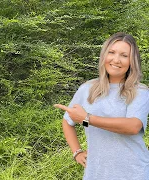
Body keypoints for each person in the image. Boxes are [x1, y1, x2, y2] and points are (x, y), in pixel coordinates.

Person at [54, 32, 149, 180]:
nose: (116, 59)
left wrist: (87, 118)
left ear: (132, 61)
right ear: (104, 55)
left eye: (124, 55)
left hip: (134, 172)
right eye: (111, 52)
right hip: (96, 173)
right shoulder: (87, 89)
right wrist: (77, 152)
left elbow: (133, 126)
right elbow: (68, 121)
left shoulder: (139, 91)